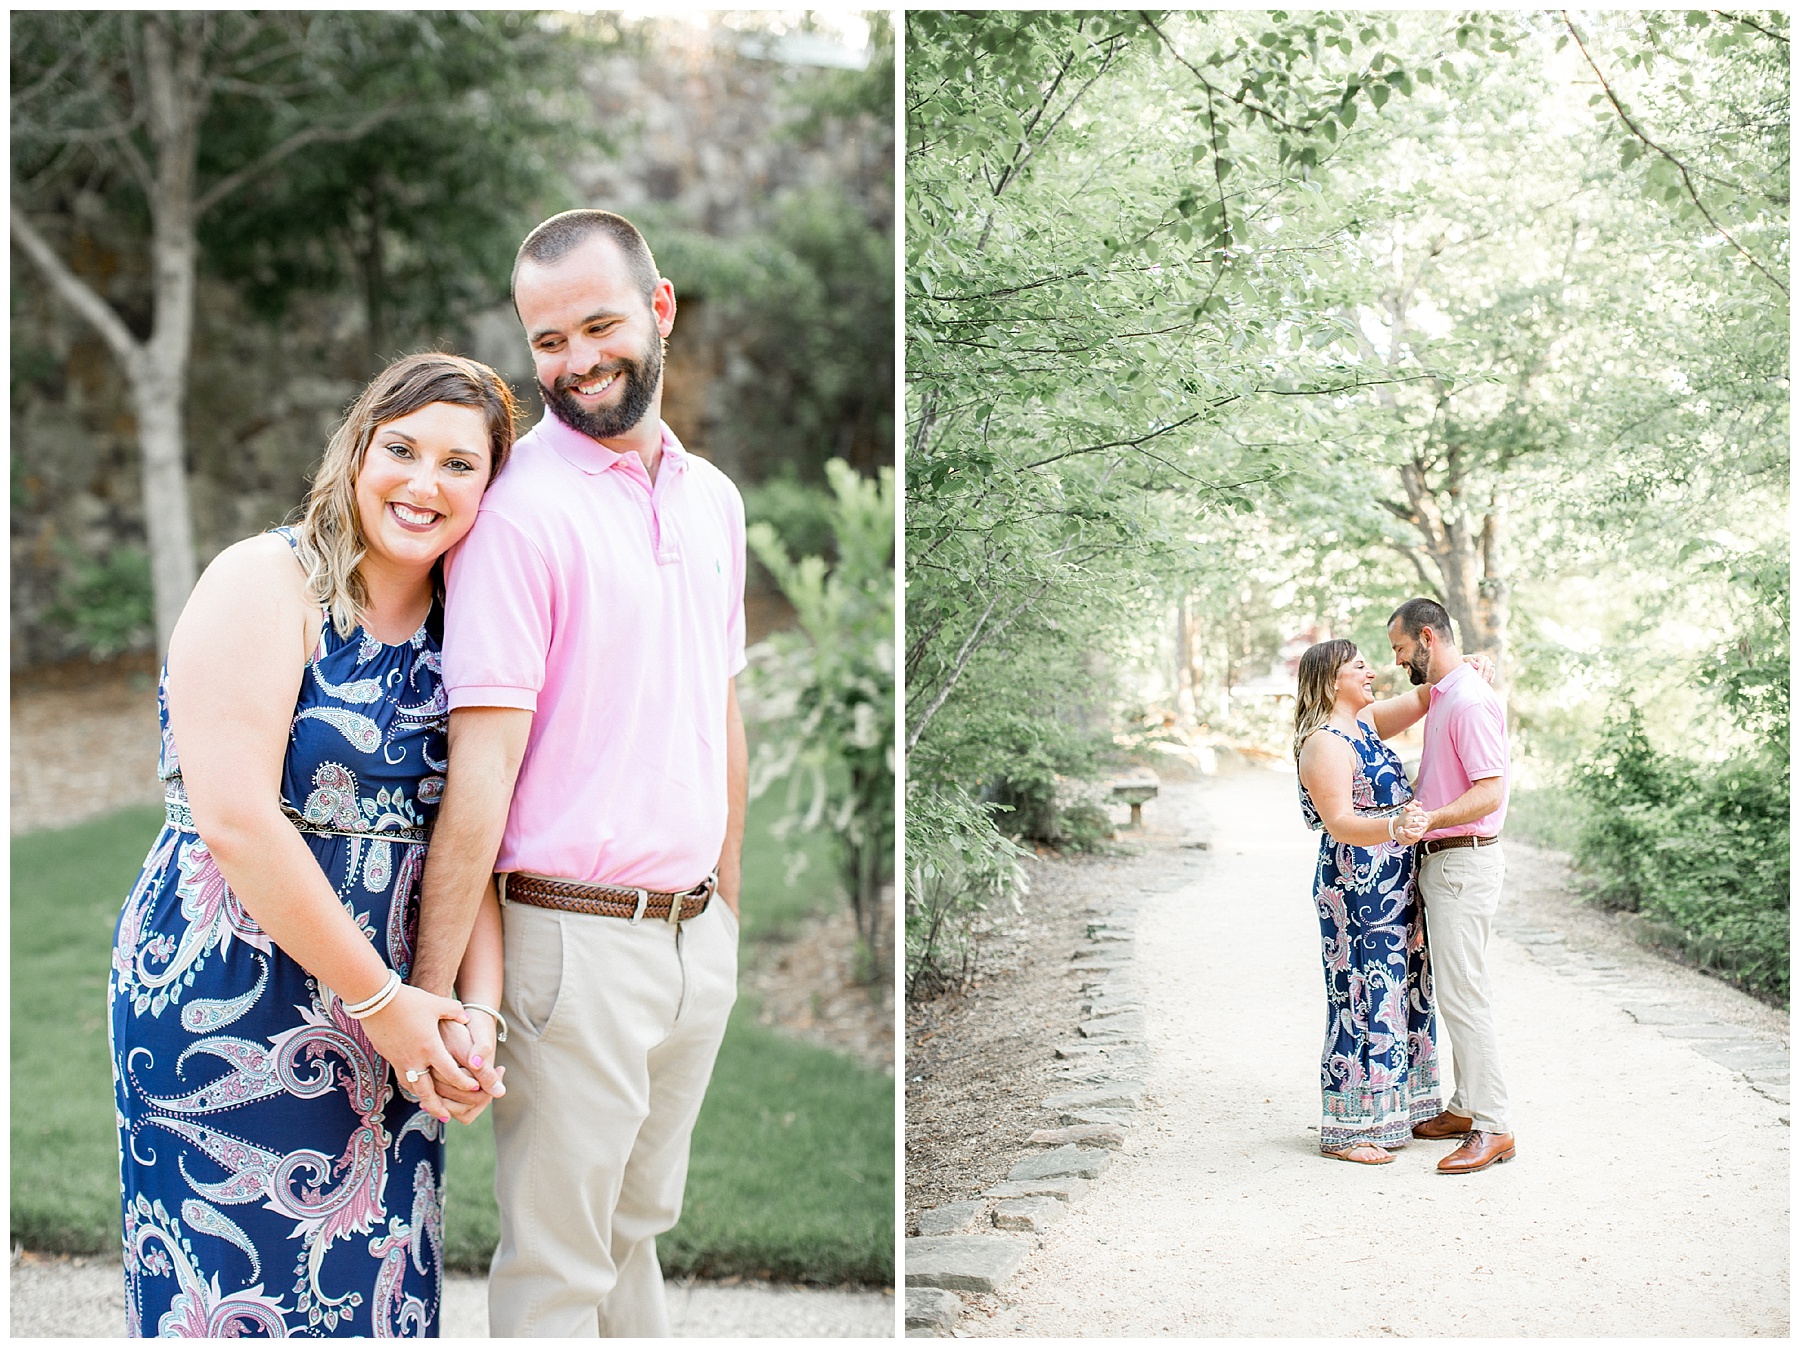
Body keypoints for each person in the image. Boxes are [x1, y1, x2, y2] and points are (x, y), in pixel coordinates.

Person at [109, 353, 519, 1336]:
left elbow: (469, 834)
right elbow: (236, 820)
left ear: (491, 488)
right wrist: (385, 1004)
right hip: (227, 992)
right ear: (358, 451)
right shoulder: (265, 580)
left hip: (397, 1016)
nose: (424, 483)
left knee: (373, 1292)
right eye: (402, 449)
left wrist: (471, 1014)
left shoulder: (470, 625)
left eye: (459, 464)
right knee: (235, 1300)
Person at [407, 208, 747, 1337]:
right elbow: (482, 768)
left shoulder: (713, 498)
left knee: (635, 1232)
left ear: (660, 308)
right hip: (571, 943)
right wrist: (440, 991)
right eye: (547, 341)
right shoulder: (516, 517)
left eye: (599, 326)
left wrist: (725, 911)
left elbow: (720, 709)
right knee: (559, 1267)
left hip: (693, 938)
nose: (577, 361)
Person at [1294, 639, 1439, 1164]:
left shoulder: (1366, 723)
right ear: (1331, 680)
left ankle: (1402, 1110)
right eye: (1359, 666)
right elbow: (1339, 823)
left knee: (1404, 988)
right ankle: (1350, 1130)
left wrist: (1465, 666)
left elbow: (1426, 696)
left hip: (1396, 877)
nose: (1371, 672)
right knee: (1361, 993)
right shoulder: (1324, 743)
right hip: (1356, 884)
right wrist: (1395, 826)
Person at [1388, 597, 1516, 1175]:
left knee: (1465, 995)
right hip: (1445, 862)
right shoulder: (1447, 693)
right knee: (1457, 991)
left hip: (1464, 860)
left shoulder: (1468, 701)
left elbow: (1490, 791)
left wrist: (1431, 819)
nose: (1397, 661)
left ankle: (1494, 1126)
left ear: (1426, 637)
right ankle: (1465, 1108)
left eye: (1400, 649)